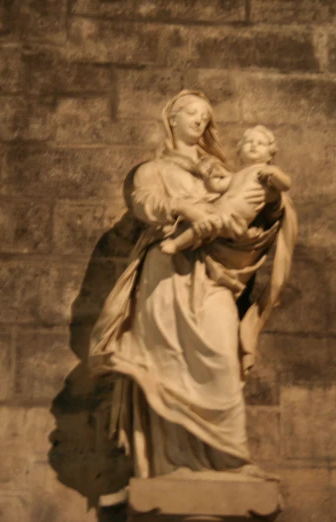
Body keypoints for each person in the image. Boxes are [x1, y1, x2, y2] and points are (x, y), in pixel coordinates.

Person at [87, 91, 297, 493]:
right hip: (166, 273)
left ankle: (230, 460)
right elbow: (143, 202)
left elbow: (251, 208)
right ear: (172, 118)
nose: (201, 121)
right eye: (193, 114)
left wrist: (270, 206)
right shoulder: (152, 169)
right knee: (166, 365)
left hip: (214, 272)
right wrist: (185, 208)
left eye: (206, 116)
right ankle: (171, 466)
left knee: (220, 356)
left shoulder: (218, 170)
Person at [160, 125, 292, 254]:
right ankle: (175, 224)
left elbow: (286, 184)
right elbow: (216, 187)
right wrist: (207, 176)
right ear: (240, 151)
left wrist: (273, 172)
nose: (254, 145)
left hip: (232, 219)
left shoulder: (265, 173)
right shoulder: (238, 175)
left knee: (206, 225)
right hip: (216, 209)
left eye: (260, 143)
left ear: (270, 156)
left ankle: (176, 245)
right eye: (249, 142)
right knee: (190, 208)